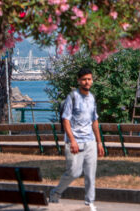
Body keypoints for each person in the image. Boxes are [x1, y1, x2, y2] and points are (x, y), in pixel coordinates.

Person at [49, 67, 103, 211]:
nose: (87, 82)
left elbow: (94, 121)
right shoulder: (72, 97)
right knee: (74, 172)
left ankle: (89, 203)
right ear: (79, 81)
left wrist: (99, 142)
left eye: (89, 79)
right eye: (84, 79)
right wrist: (72, 140)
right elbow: (65, 120)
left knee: (90, 175)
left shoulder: (92, 98)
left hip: (90, 141)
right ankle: (55, 193)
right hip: (75, 141)